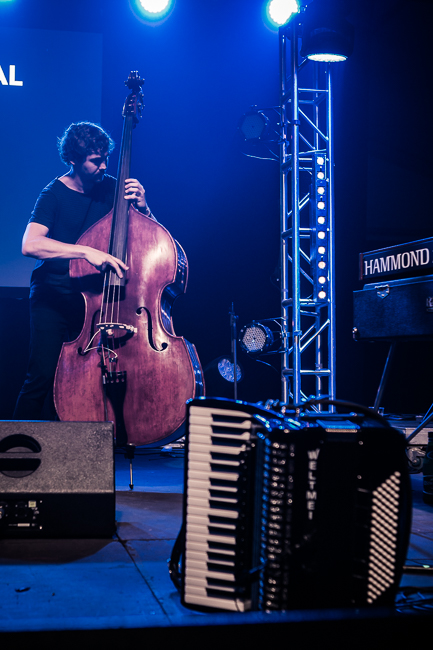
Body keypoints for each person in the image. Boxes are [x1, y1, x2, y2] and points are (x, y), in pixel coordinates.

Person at [13, 121, 154, 420]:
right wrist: (86, 251)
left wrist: (144, 207)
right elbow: (30, 244)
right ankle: (15, 445)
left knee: (87, 378)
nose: (104, 166)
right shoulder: (53, 194)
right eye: (95, 160)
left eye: (106, 158)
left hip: (93, 300)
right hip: (53, 297)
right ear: (74, 160)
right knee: (41, 377)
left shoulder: (113, 188)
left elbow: (151, 238)